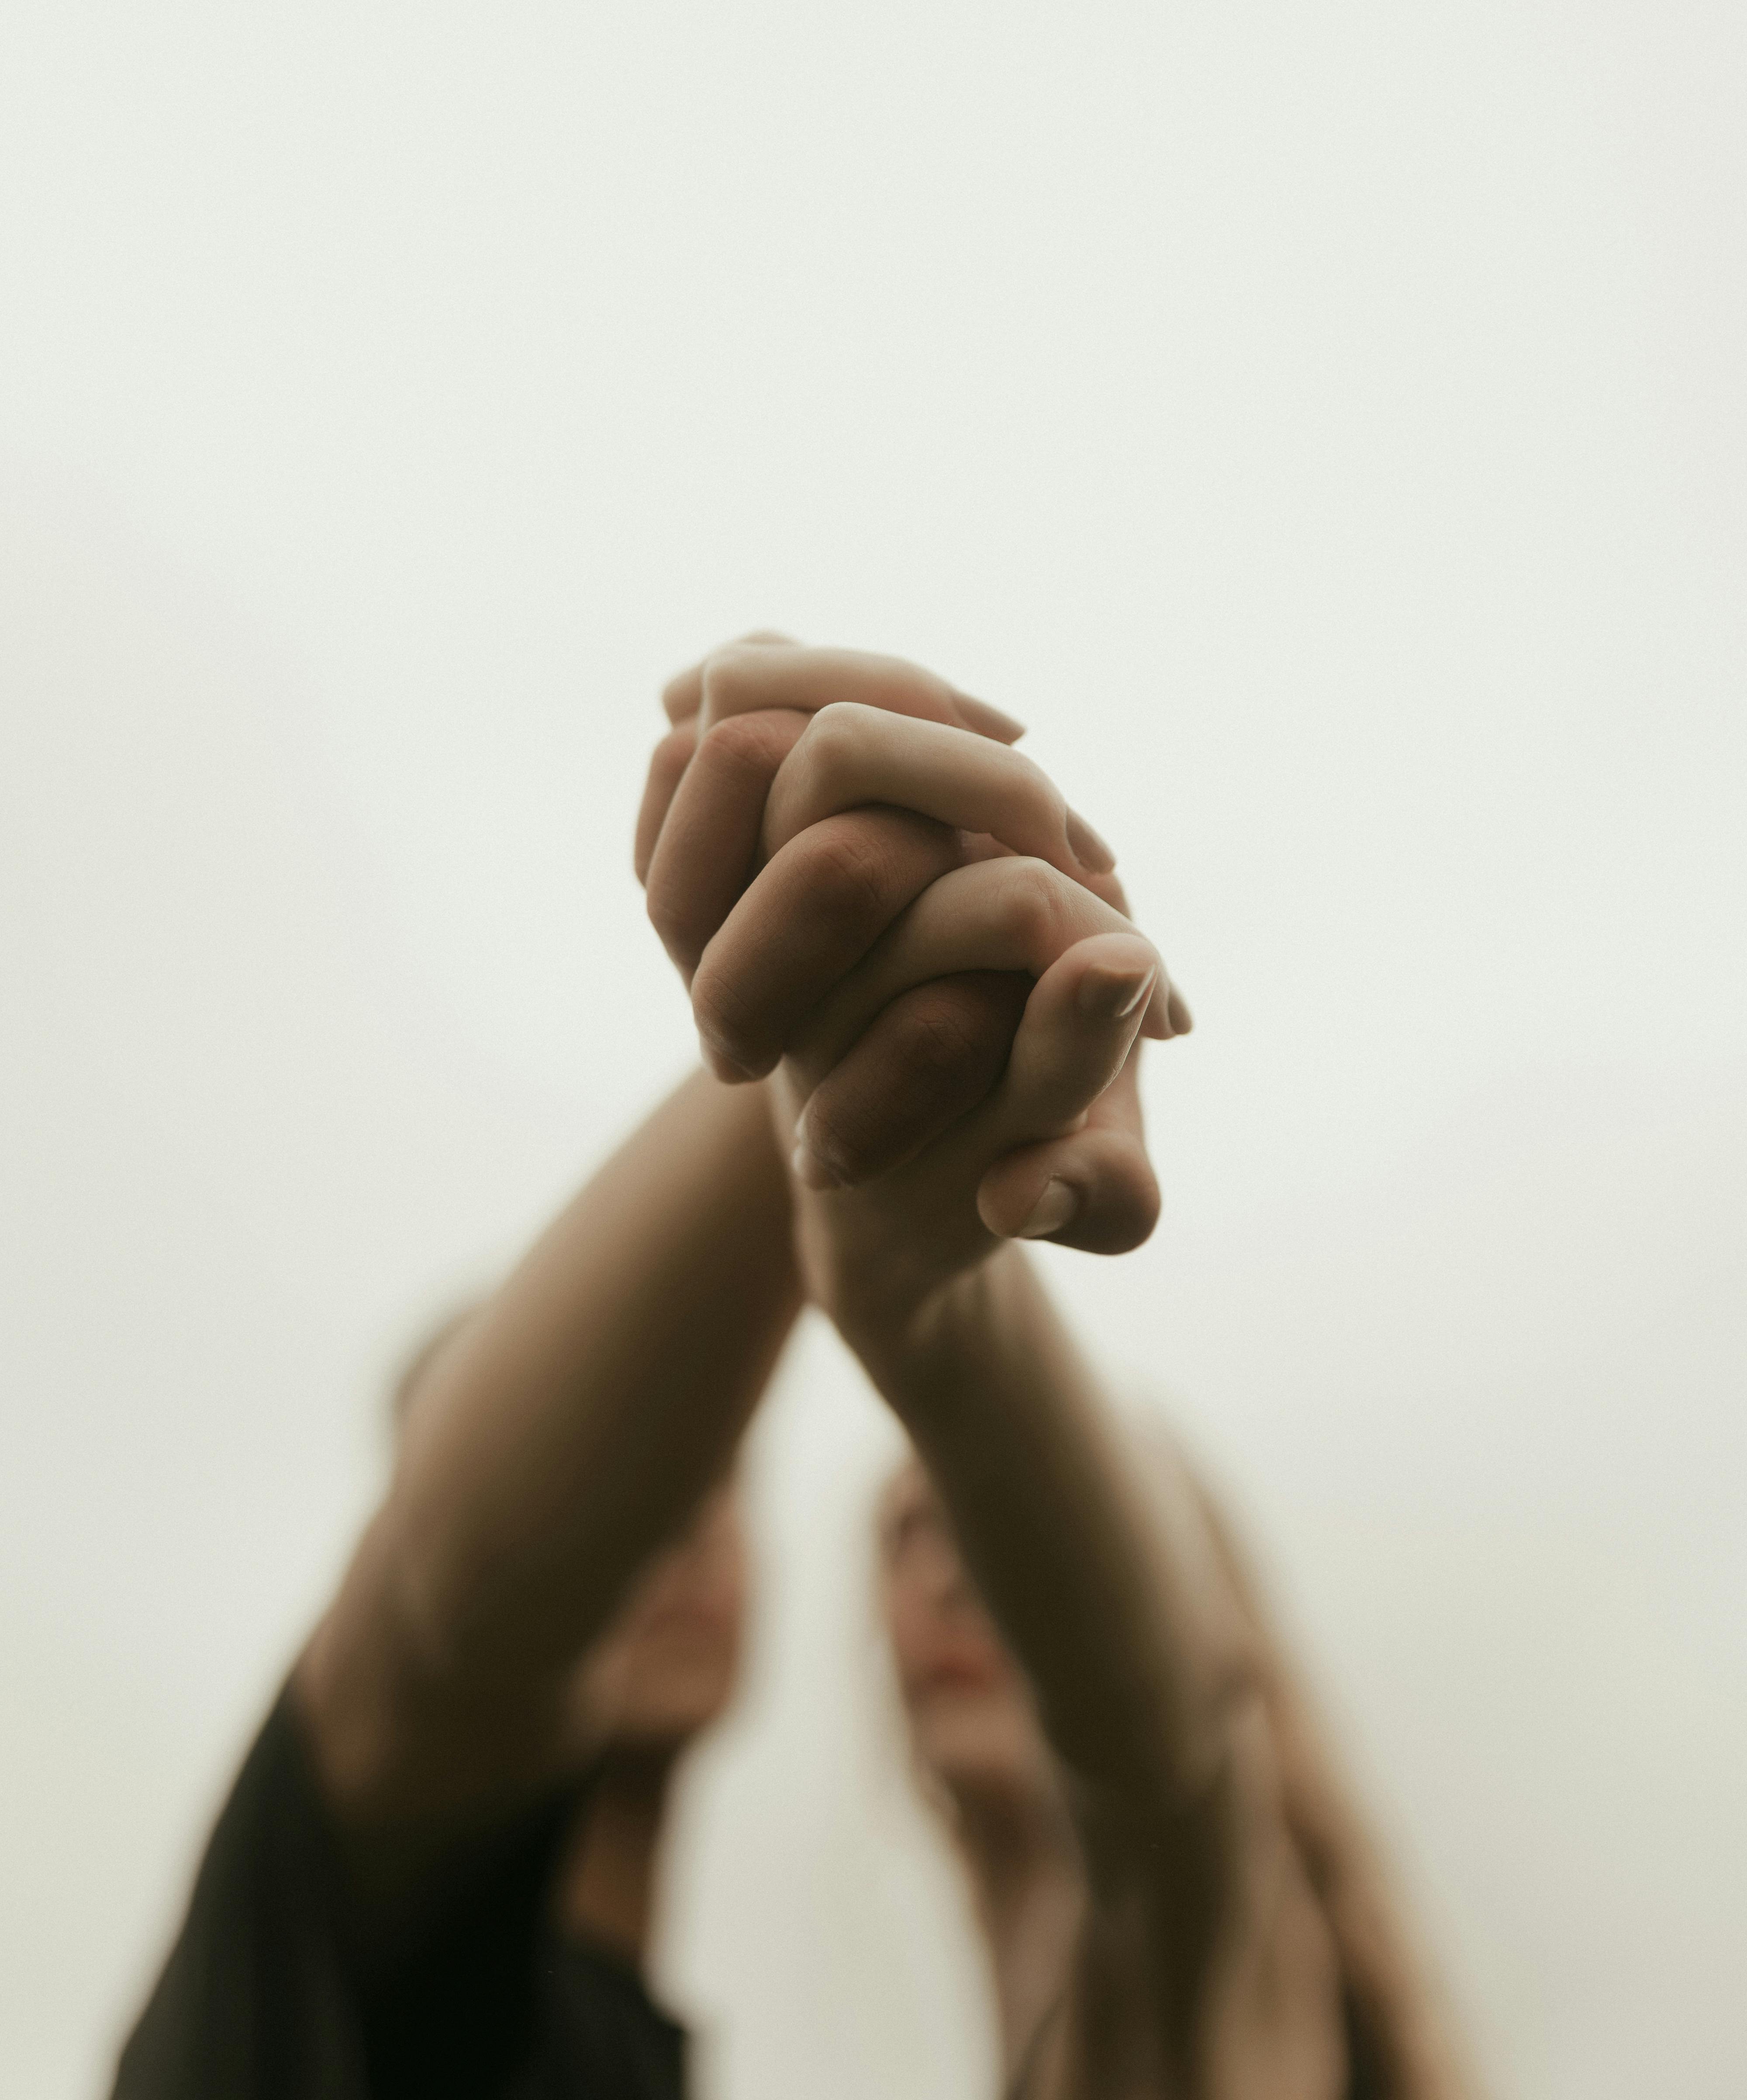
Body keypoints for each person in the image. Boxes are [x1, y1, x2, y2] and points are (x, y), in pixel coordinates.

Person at [113, 636, 1457, 2098]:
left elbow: (1180, 1784)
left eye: (709, 1477)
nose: (673, 1517)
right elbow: (447, 1625)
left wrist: (896, 1186)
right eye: (633, 1467)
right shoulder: (292, 1981)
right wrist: (842, 1041)